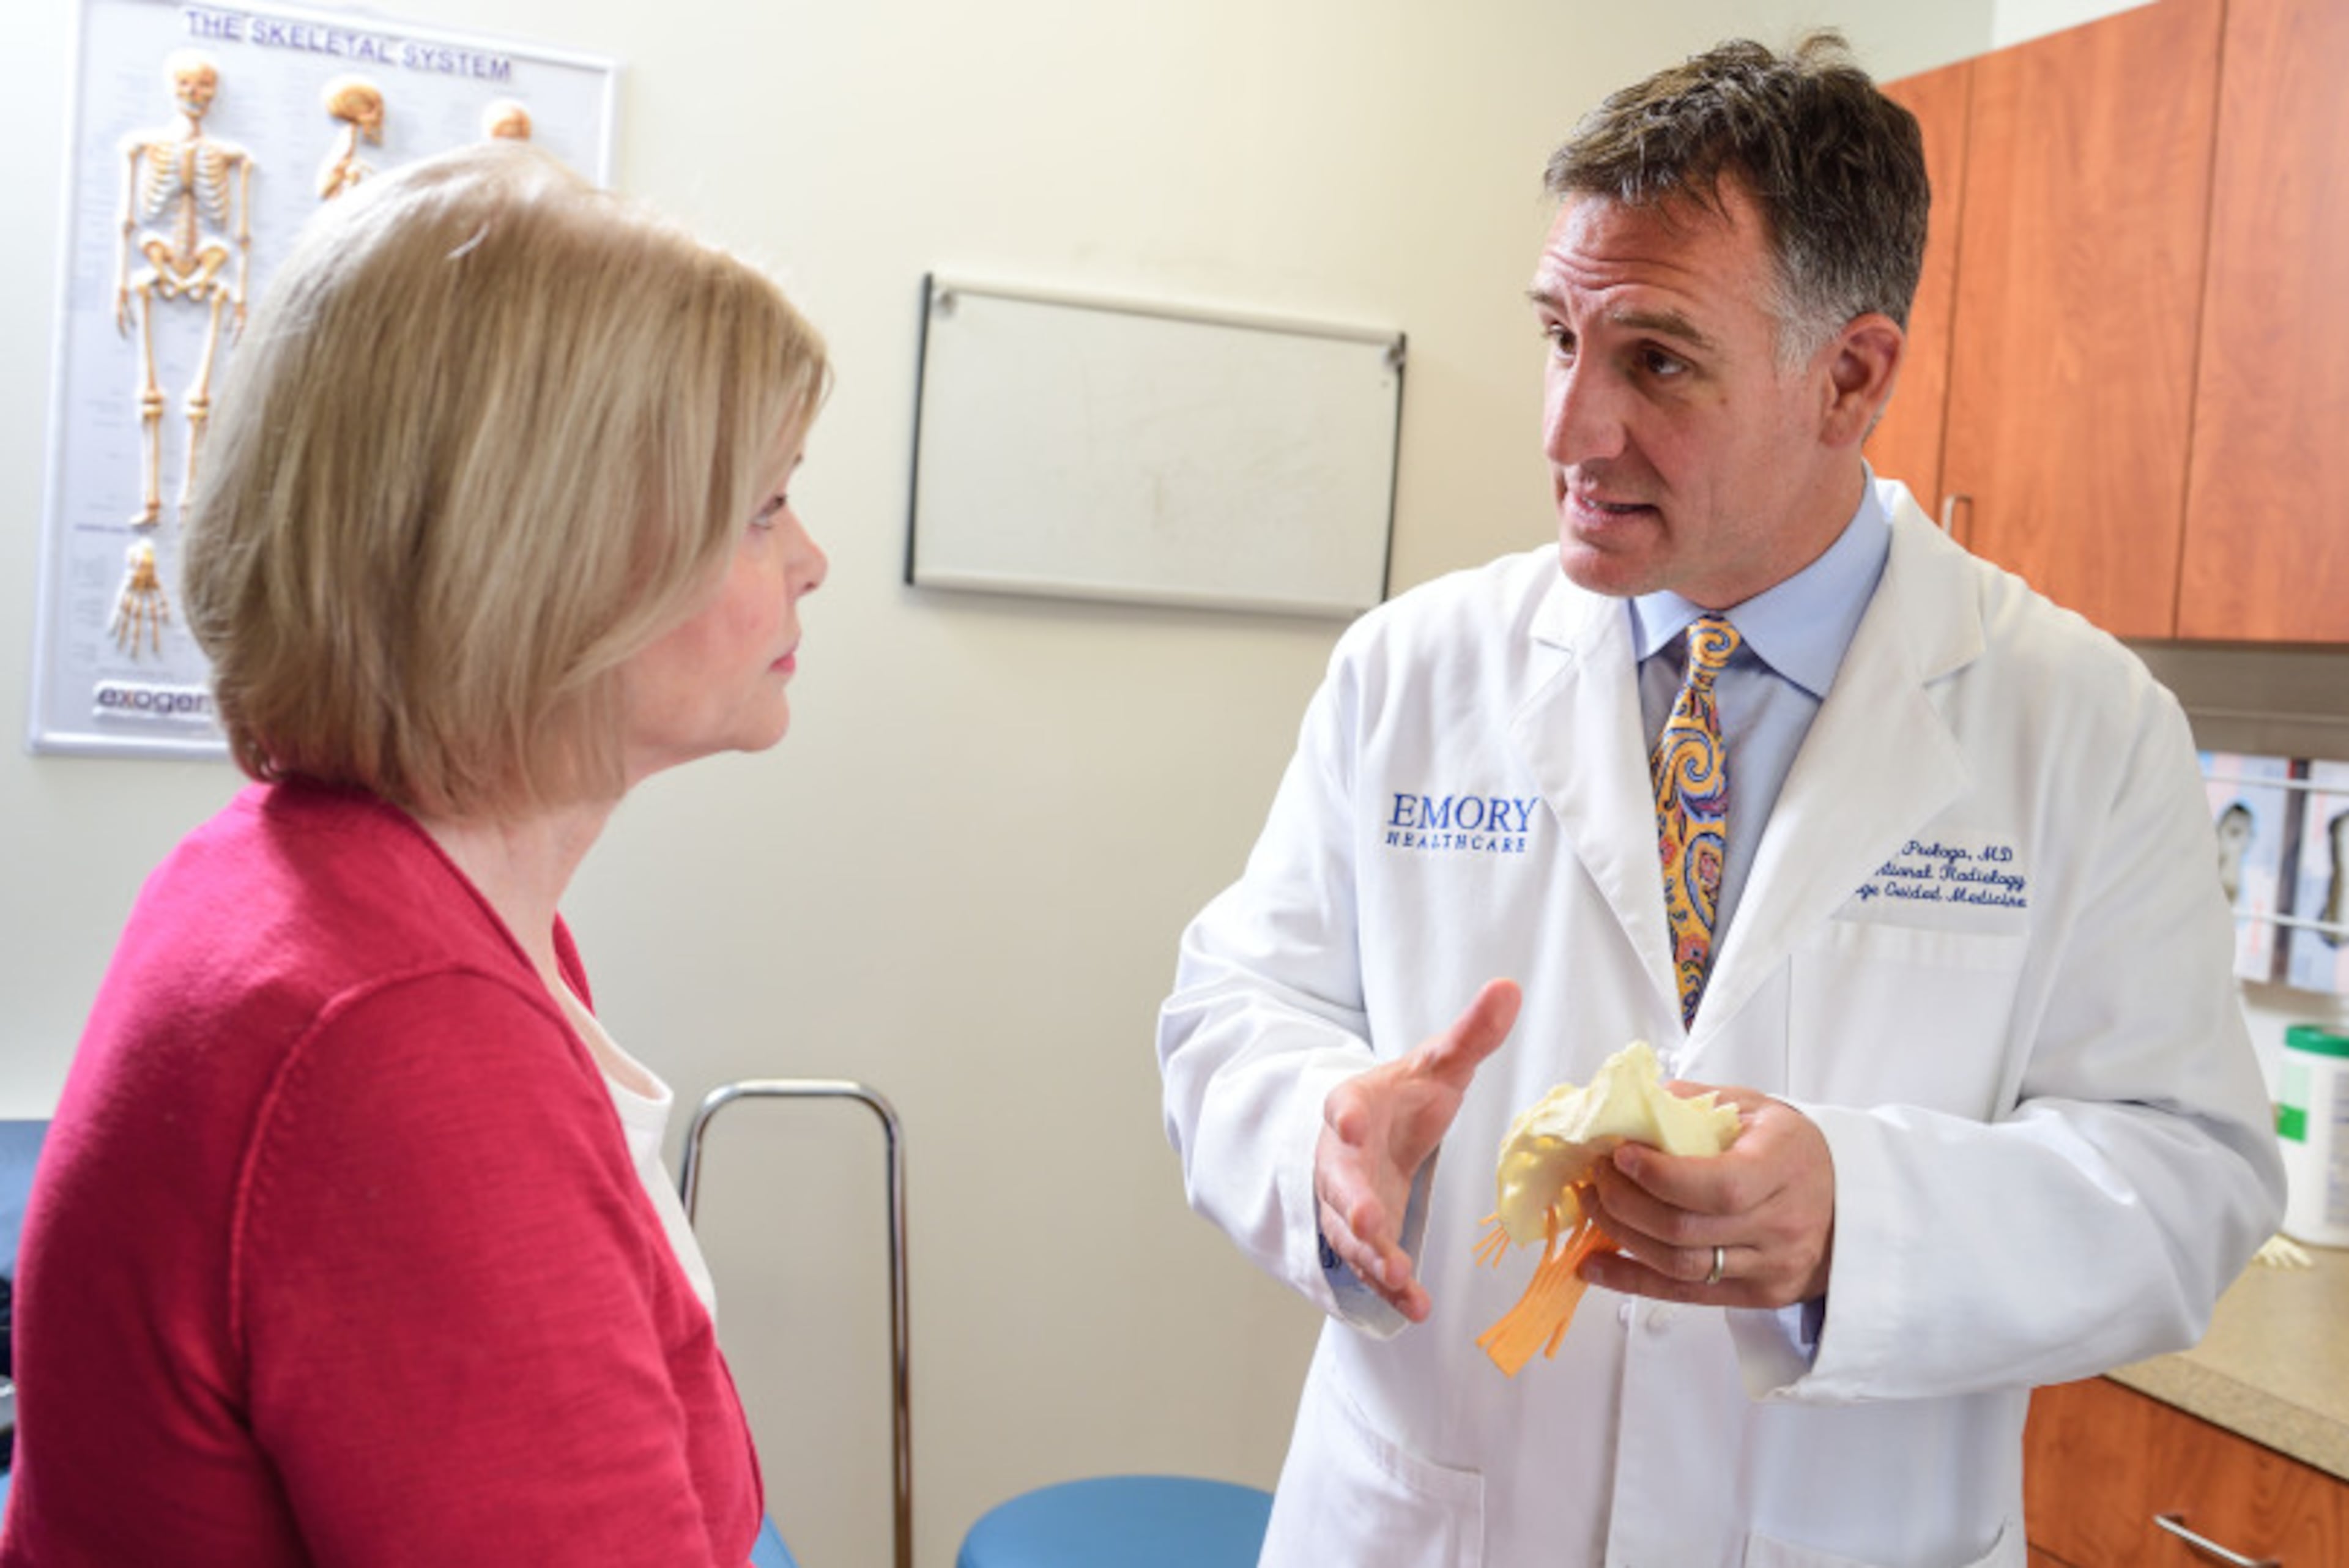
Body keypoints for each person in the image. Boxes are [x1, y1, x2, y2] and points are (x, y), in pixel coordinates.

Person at [1158, 34, 2283, 1568]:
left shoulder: (2082, 727)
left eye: (1657, 361)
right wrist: (1319, 1138)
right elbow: (1233, 1009)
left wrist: (1859, 1215)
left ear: (1851, 378)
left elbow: (2192, 1178)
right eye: (1560, 336)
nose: (1570, 429)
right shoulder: (1411, 672)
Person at [1, 141, 828, 1567]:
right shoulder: (397, 1039)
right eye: (760, 508)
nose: (810, 558)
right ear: (554, 557)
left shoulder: (349, 883)